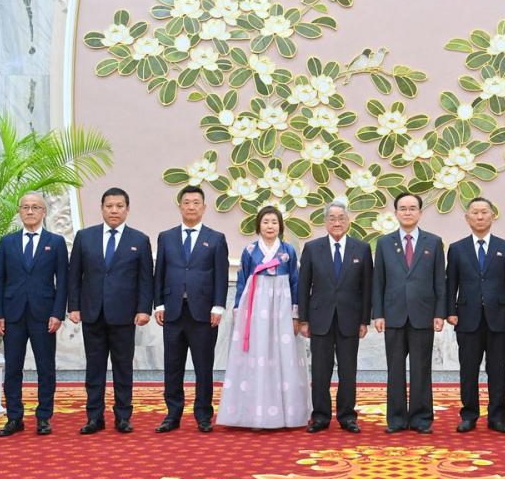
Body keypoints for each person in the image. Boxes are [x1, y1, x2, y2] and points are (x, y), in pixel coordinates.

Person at [68, 187, 153, 434]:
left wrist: (144, 309)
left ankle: (123, 416)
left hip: (124, 315)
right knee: (94, 368)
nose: (114, 210)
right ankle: (94, 417)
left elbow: (146, 279)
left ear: (127, 209)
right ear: (102, 208)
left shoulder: (139, 240)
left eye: (119, 206)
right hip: (92, 313)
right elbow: (74, 275)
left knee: (123, 367)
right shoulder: (85, 237)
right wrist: (74, 306)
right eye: (109, 206)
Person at [217, 206, 310, 429]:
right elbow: (243, 281)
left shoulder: (288, 251)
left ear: (280, 226)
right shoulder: (250, 250)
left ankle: (286, 414)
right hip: (256, 306)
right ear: (258, 225)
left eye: (274, 222)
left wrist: (296, 315)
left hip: (282, 306)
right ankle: (255, 413)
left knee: (283, 355)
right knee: (257, 354)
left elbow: (295, 282)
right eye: (266, 222)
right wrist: (239, 310)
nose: (270, 226)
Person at [153, 186, 229, 434]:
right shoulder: (166, 237)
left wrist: (218, 306)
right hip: (173, 311)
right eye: (186, 202)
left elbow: (221, 275)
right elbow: (159, 272)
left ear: (204, 207)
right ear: (180, 206)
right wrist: (159, 304)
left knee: (203, 367)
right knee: (172, 365)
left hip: (203, 313)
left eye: (196, 202)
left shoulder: (216, 238)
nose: (191, 207)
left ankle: (203, 415)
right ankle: (172, 415)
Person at [0, 192, 68, 436]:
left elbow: (63, 281)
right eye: (25, 207)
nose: (30, 211)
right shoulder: (7, 242)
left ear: (44, 212)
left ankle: (44, 417)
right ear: (19, 211)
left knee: (46, 367)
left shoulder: (55, 242)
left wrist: (58, 313)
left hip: (44, 315)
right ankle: (14, 417)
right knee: (13, 368)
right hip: (12, 315)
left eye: (35, 207)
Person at [372, 193, 446, 434]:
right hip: (393, 314)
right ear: (395, 213)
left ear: (420, 213)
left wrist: (440, 313)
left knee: (421, 369)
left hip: (423, 314)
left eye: (412, 208)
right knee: (394, 369)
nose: (407, 212)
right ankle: (396, 419)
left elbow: (439, 281)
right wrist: (378, 314)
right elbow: (378, 281)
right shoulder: (384, 243)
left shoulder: (433, 242)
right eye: (402, 208)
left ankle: (421, 418)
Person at [297, 200, 373, 434]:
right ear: (325, 222)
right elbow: (303, 286)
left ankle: (347, 416)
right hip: (320, 319)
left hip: (350, 319)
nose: (337, 222)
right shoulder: (312, 248)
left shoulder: (361, 248)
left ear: (348, 221)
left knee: (348, 371)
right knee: (320, 370)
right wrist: (304, 319)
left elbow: (367, 287)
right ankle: (320, 416)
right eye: (332, 218)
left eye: (341, 218)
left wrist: (364, 320)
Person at [445, 197, 505, 434]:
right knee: (468, 370)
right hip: (467, 318)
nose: (479, 216)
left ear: (492, 216)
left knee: (497, 369)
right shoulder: (457, 248)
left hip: (499, 318)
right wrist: (450, 311)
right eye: (475, 212)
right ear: (467, 218)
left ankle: (497, 416)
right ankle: (469, 415)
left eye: (484, 212)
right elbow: (451, 283)